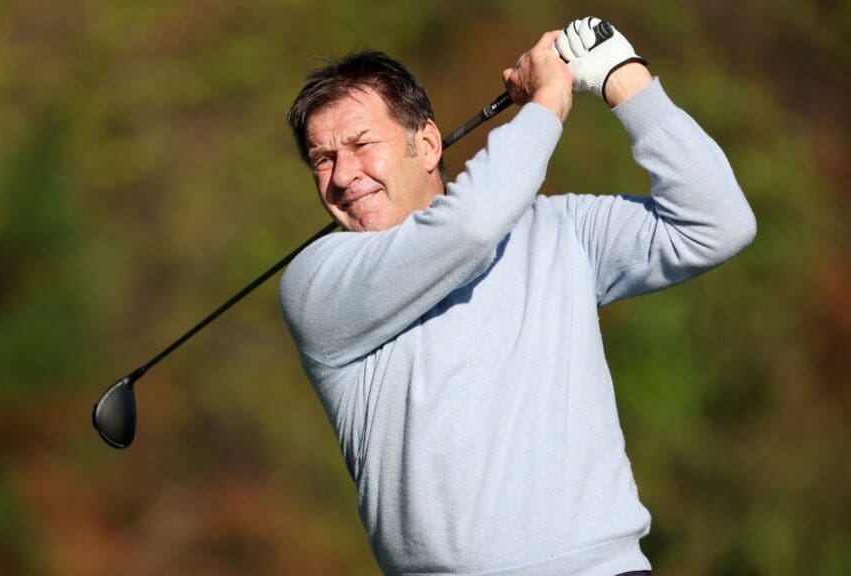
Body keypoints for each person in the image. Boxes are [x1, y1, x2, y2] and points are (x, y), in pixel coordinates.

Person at [279, 17, 755, 576]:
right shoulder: (317, 280)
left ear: (427, 143)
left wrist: (624, 80)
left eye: (361, 145)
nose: (342, 175)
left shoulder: (561, 229)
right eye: (323, 159)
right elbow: (469, 230)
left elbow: (716, 222)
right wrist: (545, 105)